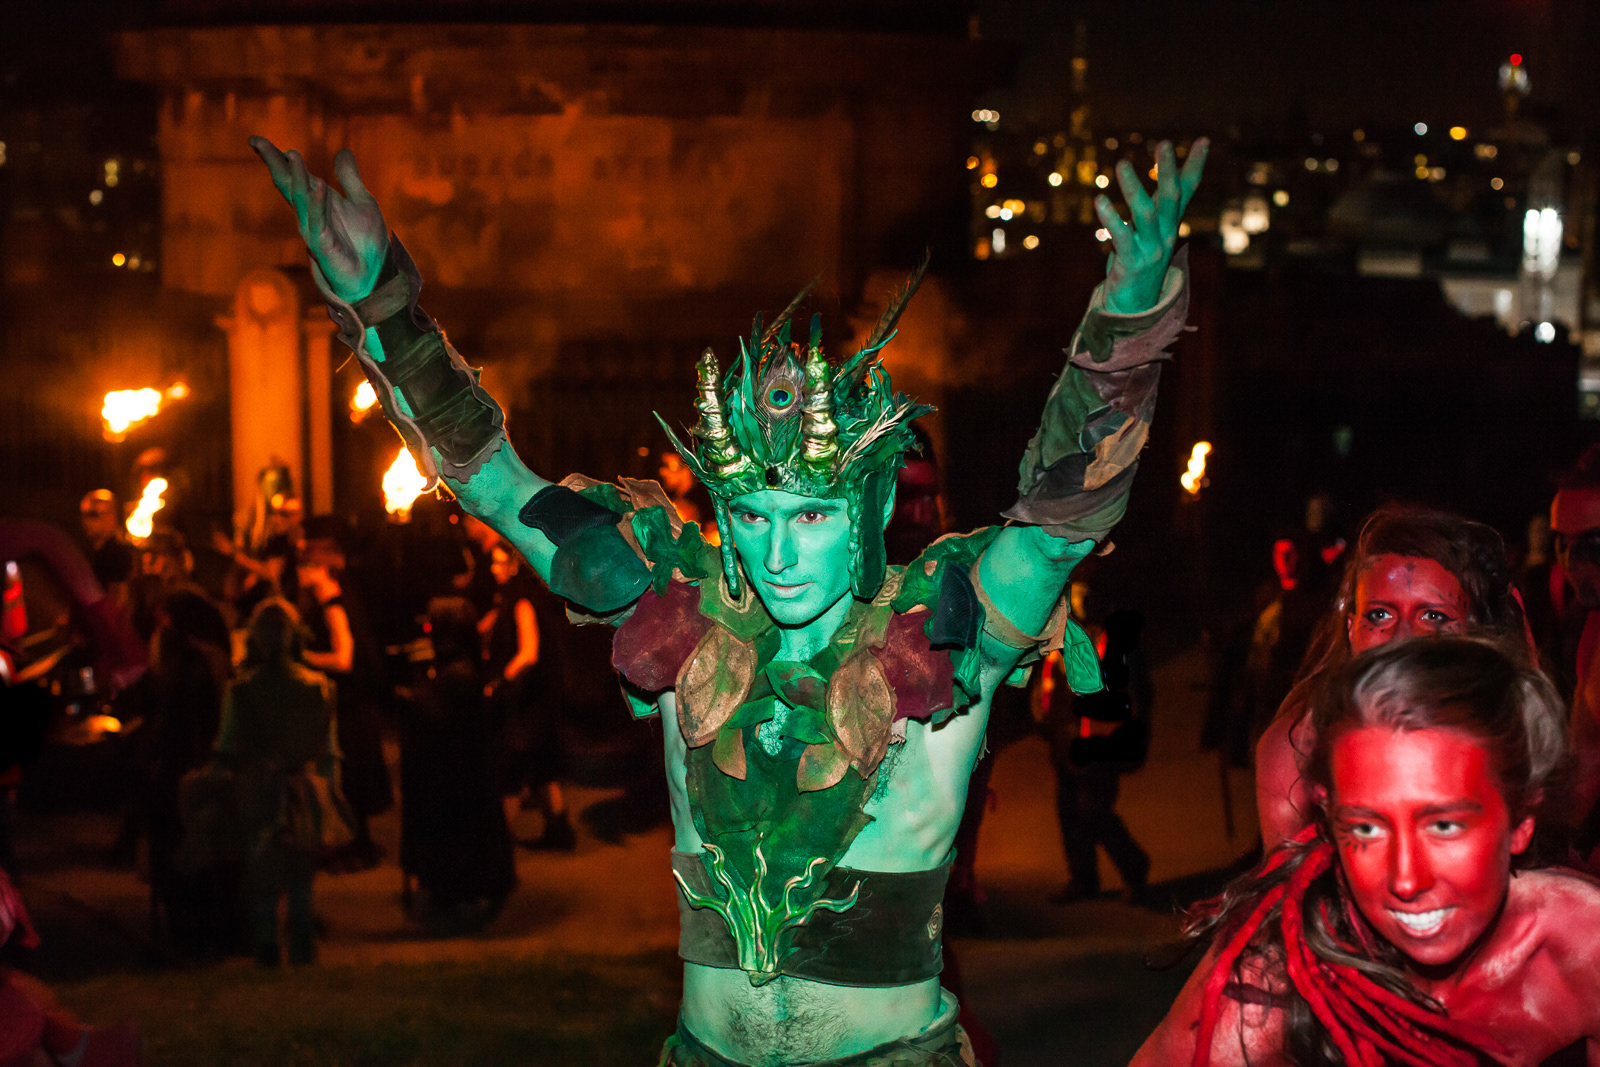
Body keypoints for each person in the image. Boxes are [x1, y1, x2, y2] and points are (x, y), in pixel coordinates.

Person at [250, 130, 1206, 1065]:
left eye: (811, 517)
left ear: (863, 512)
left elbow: (1055, 523)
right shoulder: (678, 618)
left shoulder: (941, 630)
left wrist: (1125, 321)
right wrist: (382, 306)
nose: (779, 550)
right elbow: (497, 482)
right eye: (751, 515)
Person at [1130, 635, 1598, 1067]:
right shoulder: (1275, 985)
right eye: (1367, 829)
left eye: (1444, 825)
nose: (1406, 879)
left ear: (1521, 822)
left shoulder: (1583, 944)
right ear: (1328, 821)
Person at [1254, 507, 1529, 851]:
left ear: (1475, 633)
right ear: (1352, 630)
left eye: (1433, 616)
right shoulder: (1297, 749)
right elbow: (1286, 895)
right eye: (1380, 615)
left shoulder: (1509, 727)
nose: (1402, 638)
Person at [215, 599, 341, 967]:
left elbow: (226, 746)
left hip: (256, 788)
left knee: (263, 873)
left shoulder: (241, 690)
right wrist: (330, 796)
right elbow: (329, 751)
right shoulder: (318, 688)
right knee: (300, 873)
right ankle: (300, 945)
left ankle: (267, 943)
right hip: (303, 789)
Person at [397, 597, 516, 930]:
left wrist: (414, 705)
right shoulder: (464, 669)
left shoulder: (457, 676)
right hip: (466, 773)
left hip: (454, 776)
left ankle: (457, 891)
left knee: (459, 834)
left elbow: (442, 723)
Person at [1043, 603, 1152, 904]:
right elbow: (1054, 685)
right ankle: (1083, 878)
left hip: (1100, 741)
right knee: (1069, 810)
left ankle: (1135, 868)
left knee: (1093, 810)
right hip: (1067, 734)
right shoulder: (1061, 637)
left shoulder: (1110, 641)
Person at [295, 528, 391, 869]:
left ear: (323, 570)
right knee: (354, 773)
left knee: (352, 773)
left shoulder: (333, 605)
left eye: (308, 567)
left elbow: (343, 658)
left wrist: (301, 659)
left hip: (352, 704)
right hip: (355, 702)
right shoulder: (332, 601)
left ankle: (357, 846)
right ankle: (358, 842)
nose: (302, 573)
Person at [141, 589, 231, 951]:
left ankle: (189, 925)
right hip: (200, 763)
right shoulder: (209, 658)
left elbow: (179, 719)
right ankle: (200, 922)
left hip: (186, 766)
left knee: (183, 845)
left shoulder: (191, 665)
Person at [482, 541, 573, 850]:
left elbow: (528, 653)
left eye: (498, 563)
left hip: (530, 701)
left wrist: (498, 682)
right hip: (540, 697)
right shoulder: (520, 596)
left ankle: (498, 842)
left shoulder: (521, 600)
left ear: (514, 564)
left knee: (513, 770)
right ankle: (559, 832)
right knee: (544, 766)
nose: (493, 569)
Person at [79, 489, 136, 612]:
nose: (87, 522)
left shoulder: (117, 554)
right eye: (84, 515)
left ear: (111, 516)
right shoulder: (88, 552)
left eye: (94, 515)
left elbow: (118, 601)